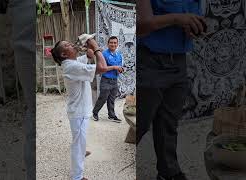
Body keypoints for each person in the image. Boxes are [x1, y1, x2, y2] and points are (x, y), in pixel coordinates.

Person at [137, 0, 206, 180]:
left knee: (168, 122)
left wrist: (192, 27)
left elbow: (189, 22)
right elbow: (141, 25)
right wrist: (177, 19)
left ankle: (169, 173)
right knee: (140, 123)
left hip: (178, 61)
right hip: (150, 61)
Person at [51, 37, 121, 180]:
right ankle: (77, 177)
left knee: (80, 139)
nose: (71, 44)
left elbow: (87, 57)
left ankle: (81, 151)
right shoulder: (71, 66)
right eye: (68, 45)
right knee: (78, 143)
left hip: (80, 110)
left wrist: (88, 51)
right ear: (64, 55)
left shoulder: (72, 62)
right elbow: (101, 67)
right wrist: (95, 47)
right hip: (78, 112)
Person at [92, 36, 124, 123]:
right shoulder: (104, 54)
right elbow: (102, 68)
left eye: (115, 43)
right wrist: (114, 67)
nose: (113, 44)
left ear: (117, 44)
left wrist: (121, 69)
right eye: (111, 42)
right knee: (103, 98)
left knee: (112, 99)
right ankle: (95, 113)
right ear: (108, 44)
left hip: (115, 80)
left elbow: (120, 67)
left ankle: (111, 115)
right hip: (106, 80)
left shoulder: (119, 55)